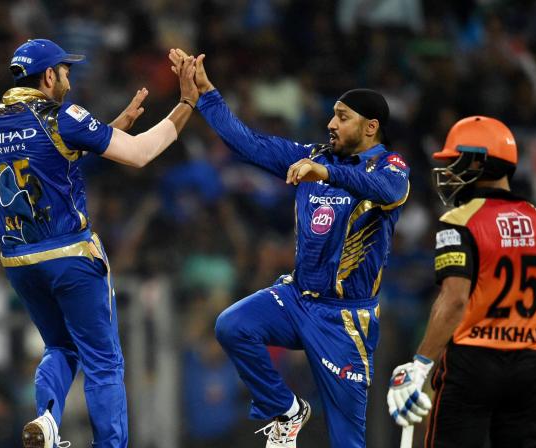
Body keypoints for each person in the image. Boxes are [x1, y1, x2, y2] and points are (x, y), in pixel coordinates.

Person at [169, 49, 411, 448]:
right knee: (232, 325)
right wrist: (208, 94)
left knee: (348, 440)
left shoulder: (390, 166)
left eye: (343, 117)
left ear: (371, 128)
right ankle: (285, 409)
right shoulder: (312, 156)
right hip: (297, 298)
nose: (331, 123)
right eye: (333, 114)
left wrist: (326, 172)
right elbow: (249, 144)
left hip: (345, 320)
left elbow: (390, 191)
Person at [0, 39, 199, 448]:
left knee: (59, 346)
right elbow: (139, 155)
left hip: (19, 261)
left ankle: (46, 418)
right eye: (64, 71)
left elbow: (49, 160)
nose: (68, 78)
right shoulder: (63, 115)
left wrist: (109, 129)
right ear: (48, 76)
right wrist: (187, 102)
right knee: (103, 361)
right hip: (70, 256)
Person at [386, 116, 536, 447]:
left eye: (455, 160)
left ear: (479, 161)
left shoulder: (459, 221)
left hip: (473, 364)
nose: (450, 172)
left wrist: (420, 365)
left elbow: (455, 300)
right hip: (531, 365)